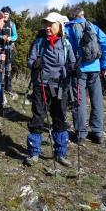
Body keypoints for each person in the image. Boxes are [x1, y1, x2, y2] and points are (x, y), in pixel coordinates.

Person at [25, 12, 76, 167]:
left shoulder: (66, 44)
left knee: (59, 118)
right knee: (38, 117)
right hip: (41, 85)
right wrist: (34, 64)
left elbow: (72, 62)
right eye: (46, 24)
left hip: (61, 86)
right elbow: (30, 60)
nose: (47, 27)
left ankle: (60, 154)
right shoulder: (40, 42)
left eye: (51, 24)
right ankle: (34, 153)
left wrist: (75, 69)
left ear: (59, 26)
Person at [65, 8, 106, 145]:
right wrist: (104, 65)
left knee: (79, 101)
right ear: (83, 15)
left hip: (78, 70)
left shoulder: (68, 29)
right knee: (96, 100)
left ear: (71, 17)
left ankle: (81, 135)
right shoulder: (93, 27)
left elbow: (66, 50)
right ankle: (97, 132)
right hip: (95, 68)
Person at [0, 6, 18, 93]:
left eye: (7, 14)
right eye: (4, 14)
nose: (5, 16)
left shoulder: (12, 24)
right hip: (1, 49)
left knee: (8, 68)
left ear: (9, 15)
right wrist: (2, 37)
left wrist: (10, 38)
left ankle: (8, 88)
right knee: (0, 68)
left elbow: (15, 36)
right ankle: (0, 86)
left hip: (9, 49)